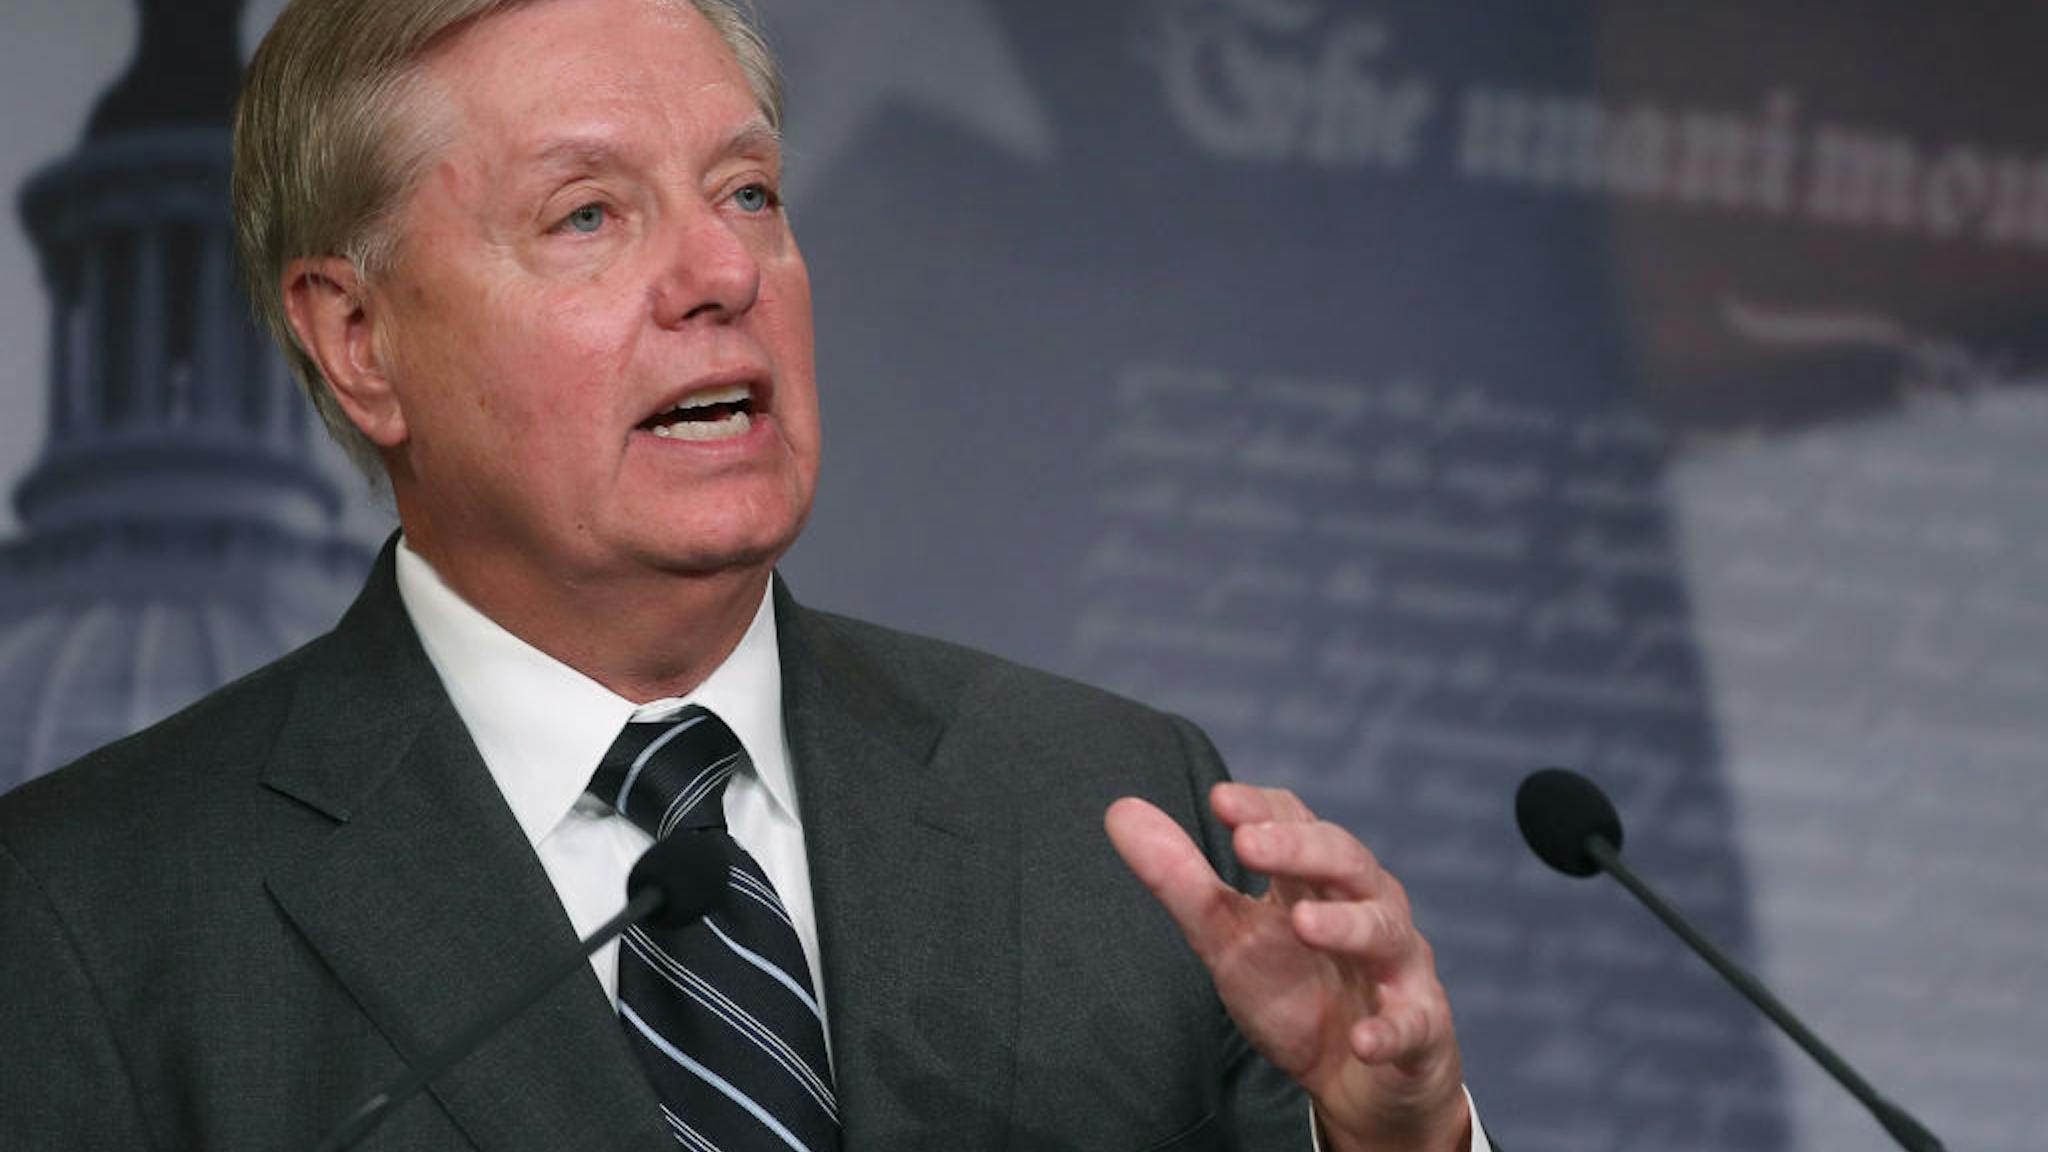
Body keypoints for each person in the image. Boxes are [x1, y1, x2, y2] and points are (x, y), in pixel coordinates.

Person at [0, 1, 1487, 1148]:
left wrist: (1392, 1134)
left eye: (751, 195)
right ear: (358, 342)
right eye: (589, 214)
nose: (719, 273)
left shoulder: (1110, 816)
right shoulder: (85, 922)